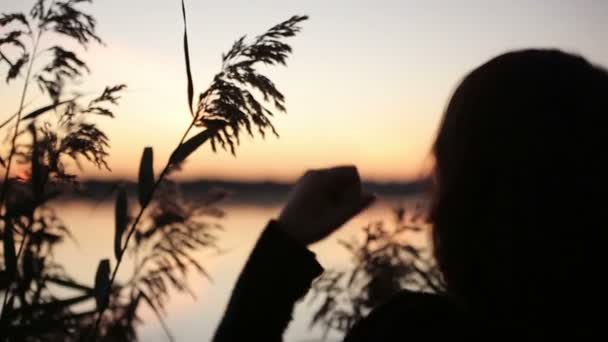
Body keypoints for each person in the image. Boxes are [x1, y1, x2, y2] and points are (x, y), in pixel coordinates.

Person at [212, 49, 608, 341]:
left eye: (442, 177)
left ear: (474, 200)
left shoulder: (416, 335)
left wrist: (285, 244)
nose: (432, 212)